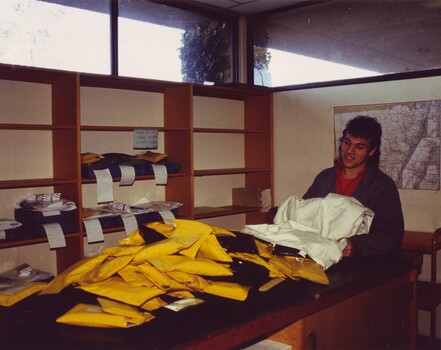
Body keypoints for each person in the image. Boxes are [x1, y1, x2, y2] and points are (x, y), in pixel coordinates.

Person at [303, 115, 404, 257]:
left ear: (372, 151)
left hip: (362, 265)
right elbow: (305, 212)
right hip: (319, 257)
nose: (350, 151)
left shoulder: (383, 186)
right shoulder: (324, 178)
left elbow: (391, 234)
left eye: (360, 146)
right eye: (347, 142)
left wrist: (357, 245)